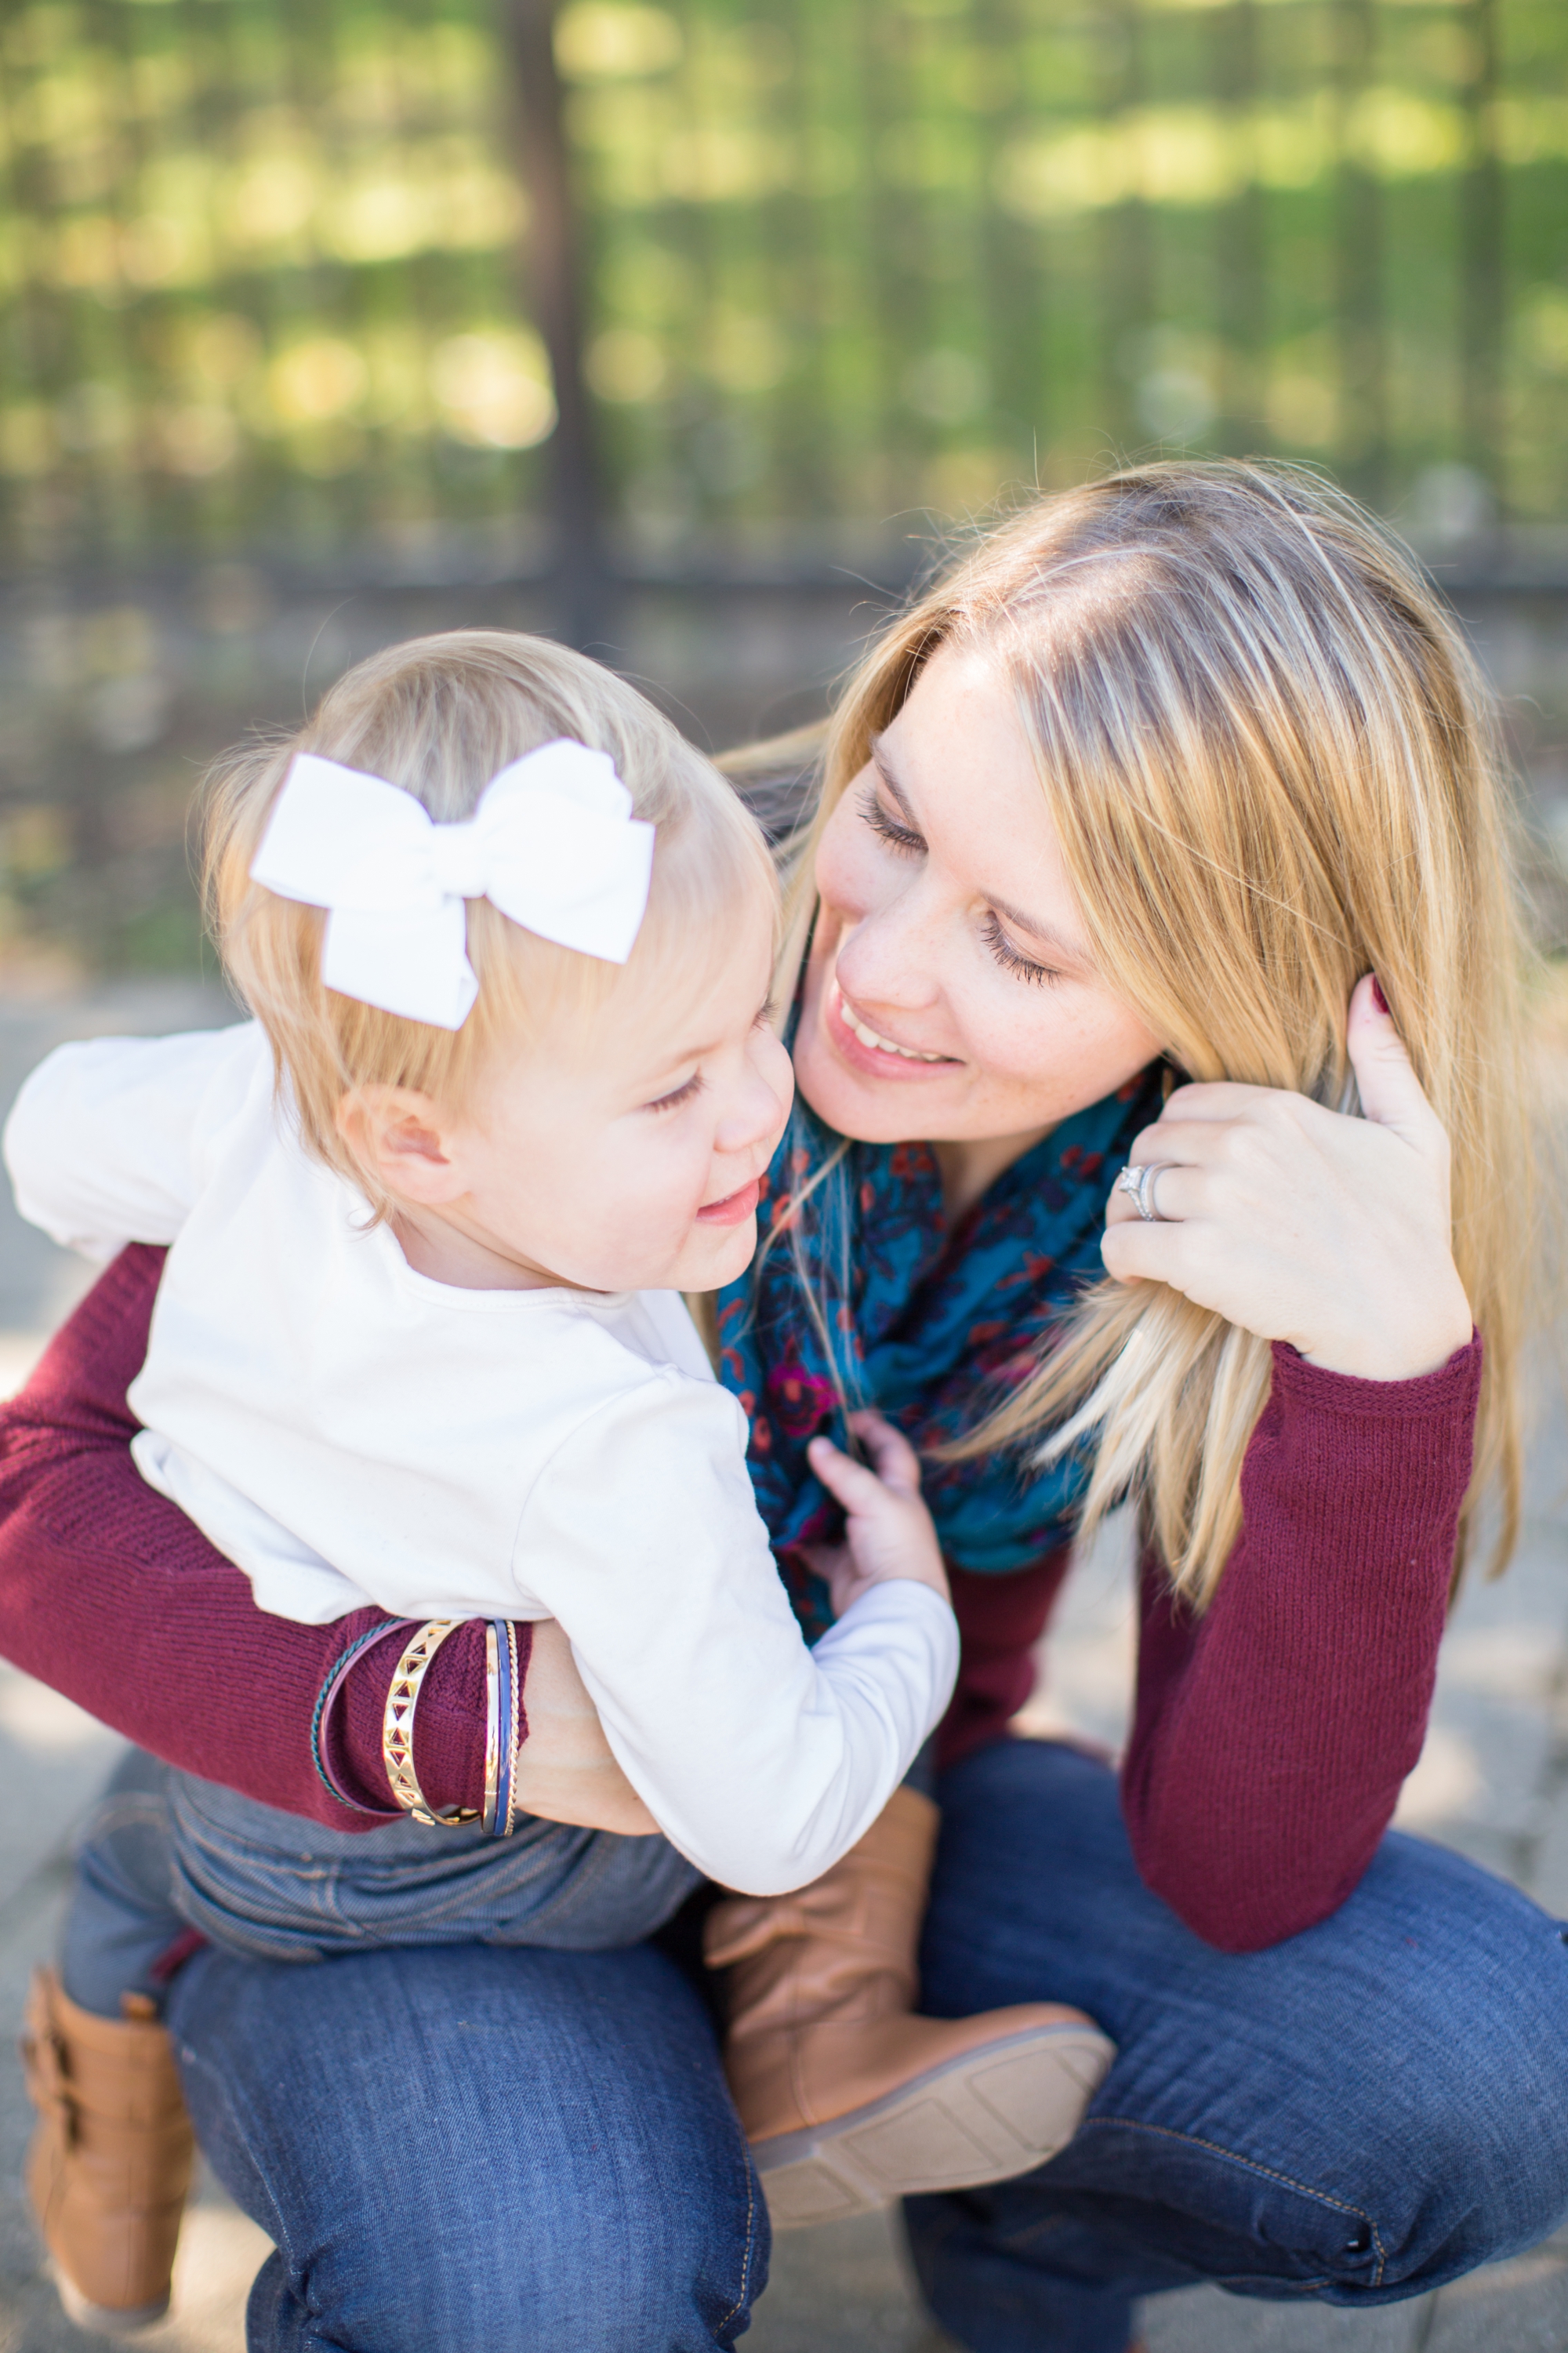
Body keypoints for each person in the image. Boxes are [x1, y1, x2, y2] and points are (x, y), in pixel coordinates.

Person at [2, 461, 1566, 2353]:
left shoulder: (1233, 1203)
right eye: (892, 822)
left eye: (1022, 943)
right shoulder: (618, 929)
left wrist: (1383, 1367)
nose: (877, 971)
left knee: (1477, 2070)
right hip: (423, 1838)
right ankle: (184, 1955)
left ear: (1231, 996)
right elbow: (46, 1478)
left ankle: (1008, 2229)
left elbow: (1242, 1873)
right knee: (535, 2292)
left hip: (845, 1794)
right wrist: (426, 1714)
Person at [5, 631, 1107, 2327]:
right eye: (672, 1087)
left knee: (166, 1845)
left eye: (750, 1023)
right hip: (508, 1868)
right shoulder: (619, 1445)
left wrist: (231, 1218)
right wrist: (902, 1615)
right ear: (423, 1140)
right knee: (698, 1836)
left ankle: (103, 1973)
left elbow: (53, 1133)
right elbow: (772, 1806)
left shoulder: (276, 1110)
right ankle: (767, 2040)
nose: (757, 1107)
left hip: (252, 1797)